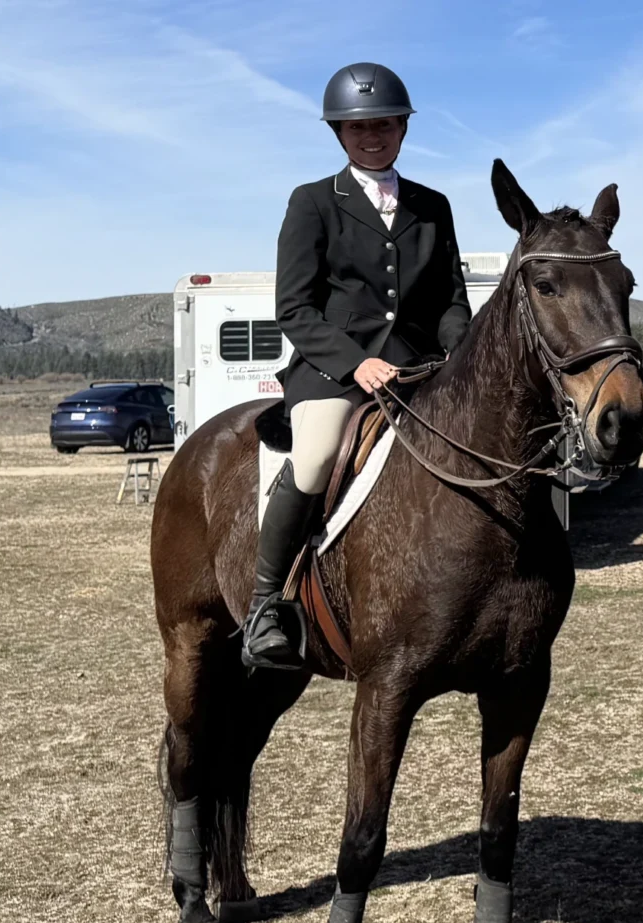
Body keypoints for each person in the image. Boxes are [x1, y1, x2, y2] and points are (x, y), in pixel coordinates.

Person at [245, 61, 473, 671]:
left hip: (419, 371)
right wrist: (356, 364)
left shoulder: (433, 205)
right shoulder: (314, 202)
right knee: (317, 454)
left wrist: (459, 353)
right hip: (334, 373)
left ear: (403, 128)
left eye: (383, 125)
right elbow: (294, 307)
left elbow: (451, 300)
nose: (372, 136)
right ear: (339, 133)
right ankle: (266, 606)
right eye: (358, 127)